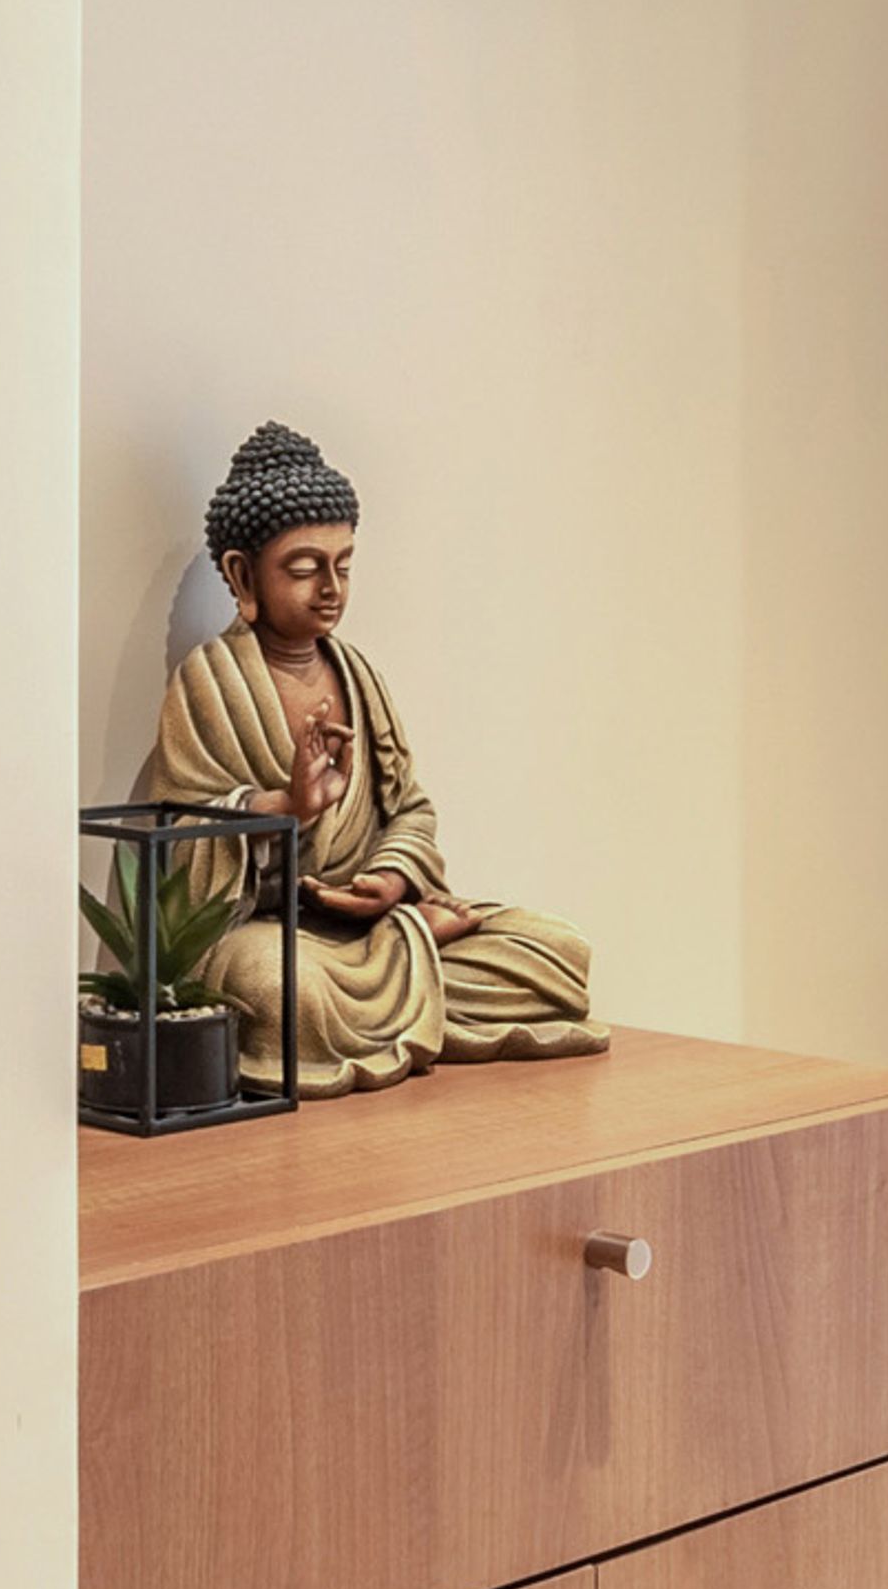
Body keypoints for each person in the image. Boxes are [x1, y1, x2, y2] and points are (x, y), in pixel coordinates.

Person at [144, 420, 605, 1093]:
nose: (331, 587)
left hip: (367, 927)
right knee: (276, 989)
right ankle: (413, 950)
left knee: (556, 949)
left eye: (344, 566)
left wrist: (390, 880)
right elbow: (181, 846)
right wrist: (288, 806)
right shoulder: (209, 682)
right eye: (305, 569)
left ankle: (404, 952)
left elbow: (410, 807)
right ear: (244, 575)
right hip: (274, 934)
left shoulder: (359, 676)